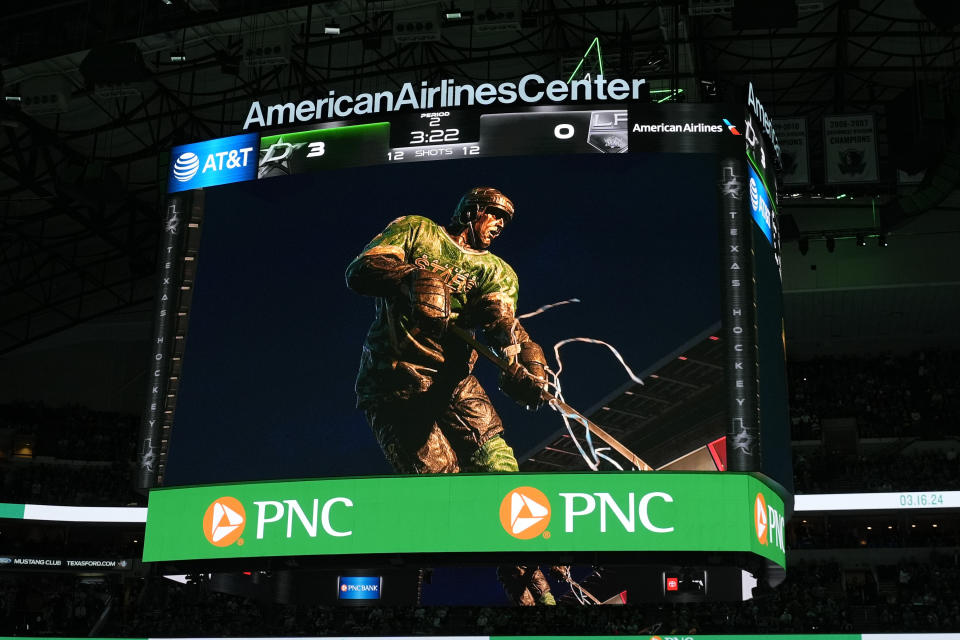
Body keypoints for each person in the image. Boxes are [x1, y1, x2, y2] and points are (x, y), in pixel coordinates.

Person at [346, 187, 557, 605]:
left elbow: (502, 323)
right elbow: (361, 270)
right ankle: (414, 574)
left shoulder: (497, 271)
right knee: (446, 488)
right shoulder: (417, 231)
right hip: (395, 384)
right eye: (494, 217)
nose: (498, 227)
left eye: (503, 222)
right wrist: (410, 276)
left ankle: (535, 590)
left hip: (455, 384)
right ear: (473, 212)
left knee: (501, 471)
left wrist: (523, 359)